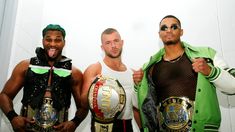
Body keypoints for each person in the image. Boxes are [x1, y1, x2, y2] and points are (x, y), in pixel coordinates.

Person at [134, 15, 235, 132]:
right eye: (164, 28)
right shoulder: (149, 68)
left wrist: (210, 71)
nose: (169, 30)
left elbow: (233, 86)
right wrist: (138, 85)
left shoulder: (206, 55)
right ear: (159, 34)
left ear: (181, 32)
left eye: (174, 27)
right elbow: (141, 106)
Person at [0, 24, 87, 132]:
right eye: (48, 39)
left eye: (58, 40)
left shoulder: (74, 73)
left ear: (64, 42)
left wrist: (74, 123)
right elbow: (4, 95)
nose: (52, 44)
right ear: (42, 41)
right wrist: (13, 117)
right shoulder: (25, 66)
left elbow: (83, 106)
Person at [81, 28, 141, 132]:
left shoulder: (132, 73)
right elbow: (83, 104)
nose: (113, 46)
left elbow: (135, 109)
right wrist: (93, 87)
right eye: (108, 43)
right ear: (102, 47)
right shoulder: (95, 69)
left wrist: (142, 129)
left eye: (116, 41)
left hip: (127, 126)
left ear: (122, 43)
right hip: (102, 126)